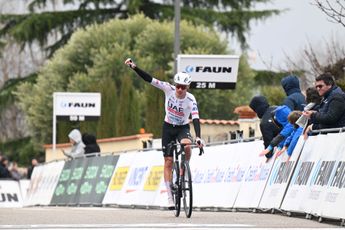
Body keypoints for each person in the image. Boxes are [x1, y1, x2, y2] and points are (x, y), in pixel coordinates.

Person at [125, 58, 203, 209]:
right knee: (168, 161)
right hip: (168, 127)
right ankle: (169, 197)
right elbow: (150, 79)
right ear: (175, 85)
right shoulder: (168, 89)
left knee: (187, 146)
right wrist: (134, 67)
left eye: (183, 87)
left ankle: (183, 169)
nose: (180, 90)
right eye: (178, 86)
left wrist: (198, 137)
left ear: (188, 87)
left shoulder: (191, 100)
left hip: (182, 128)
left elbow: (196, 118)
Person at [303, 73, 345, 137]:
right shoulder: (327, 96)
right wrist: (315, 113)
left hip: (336, 137)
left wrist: (313, 115)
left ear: (330, 85)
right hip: (332, 135)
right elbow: (326, 115)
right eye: (316, 86)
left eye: (320, 86)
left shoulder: (337, 97)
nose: (318, 89)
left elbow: (331, 118)